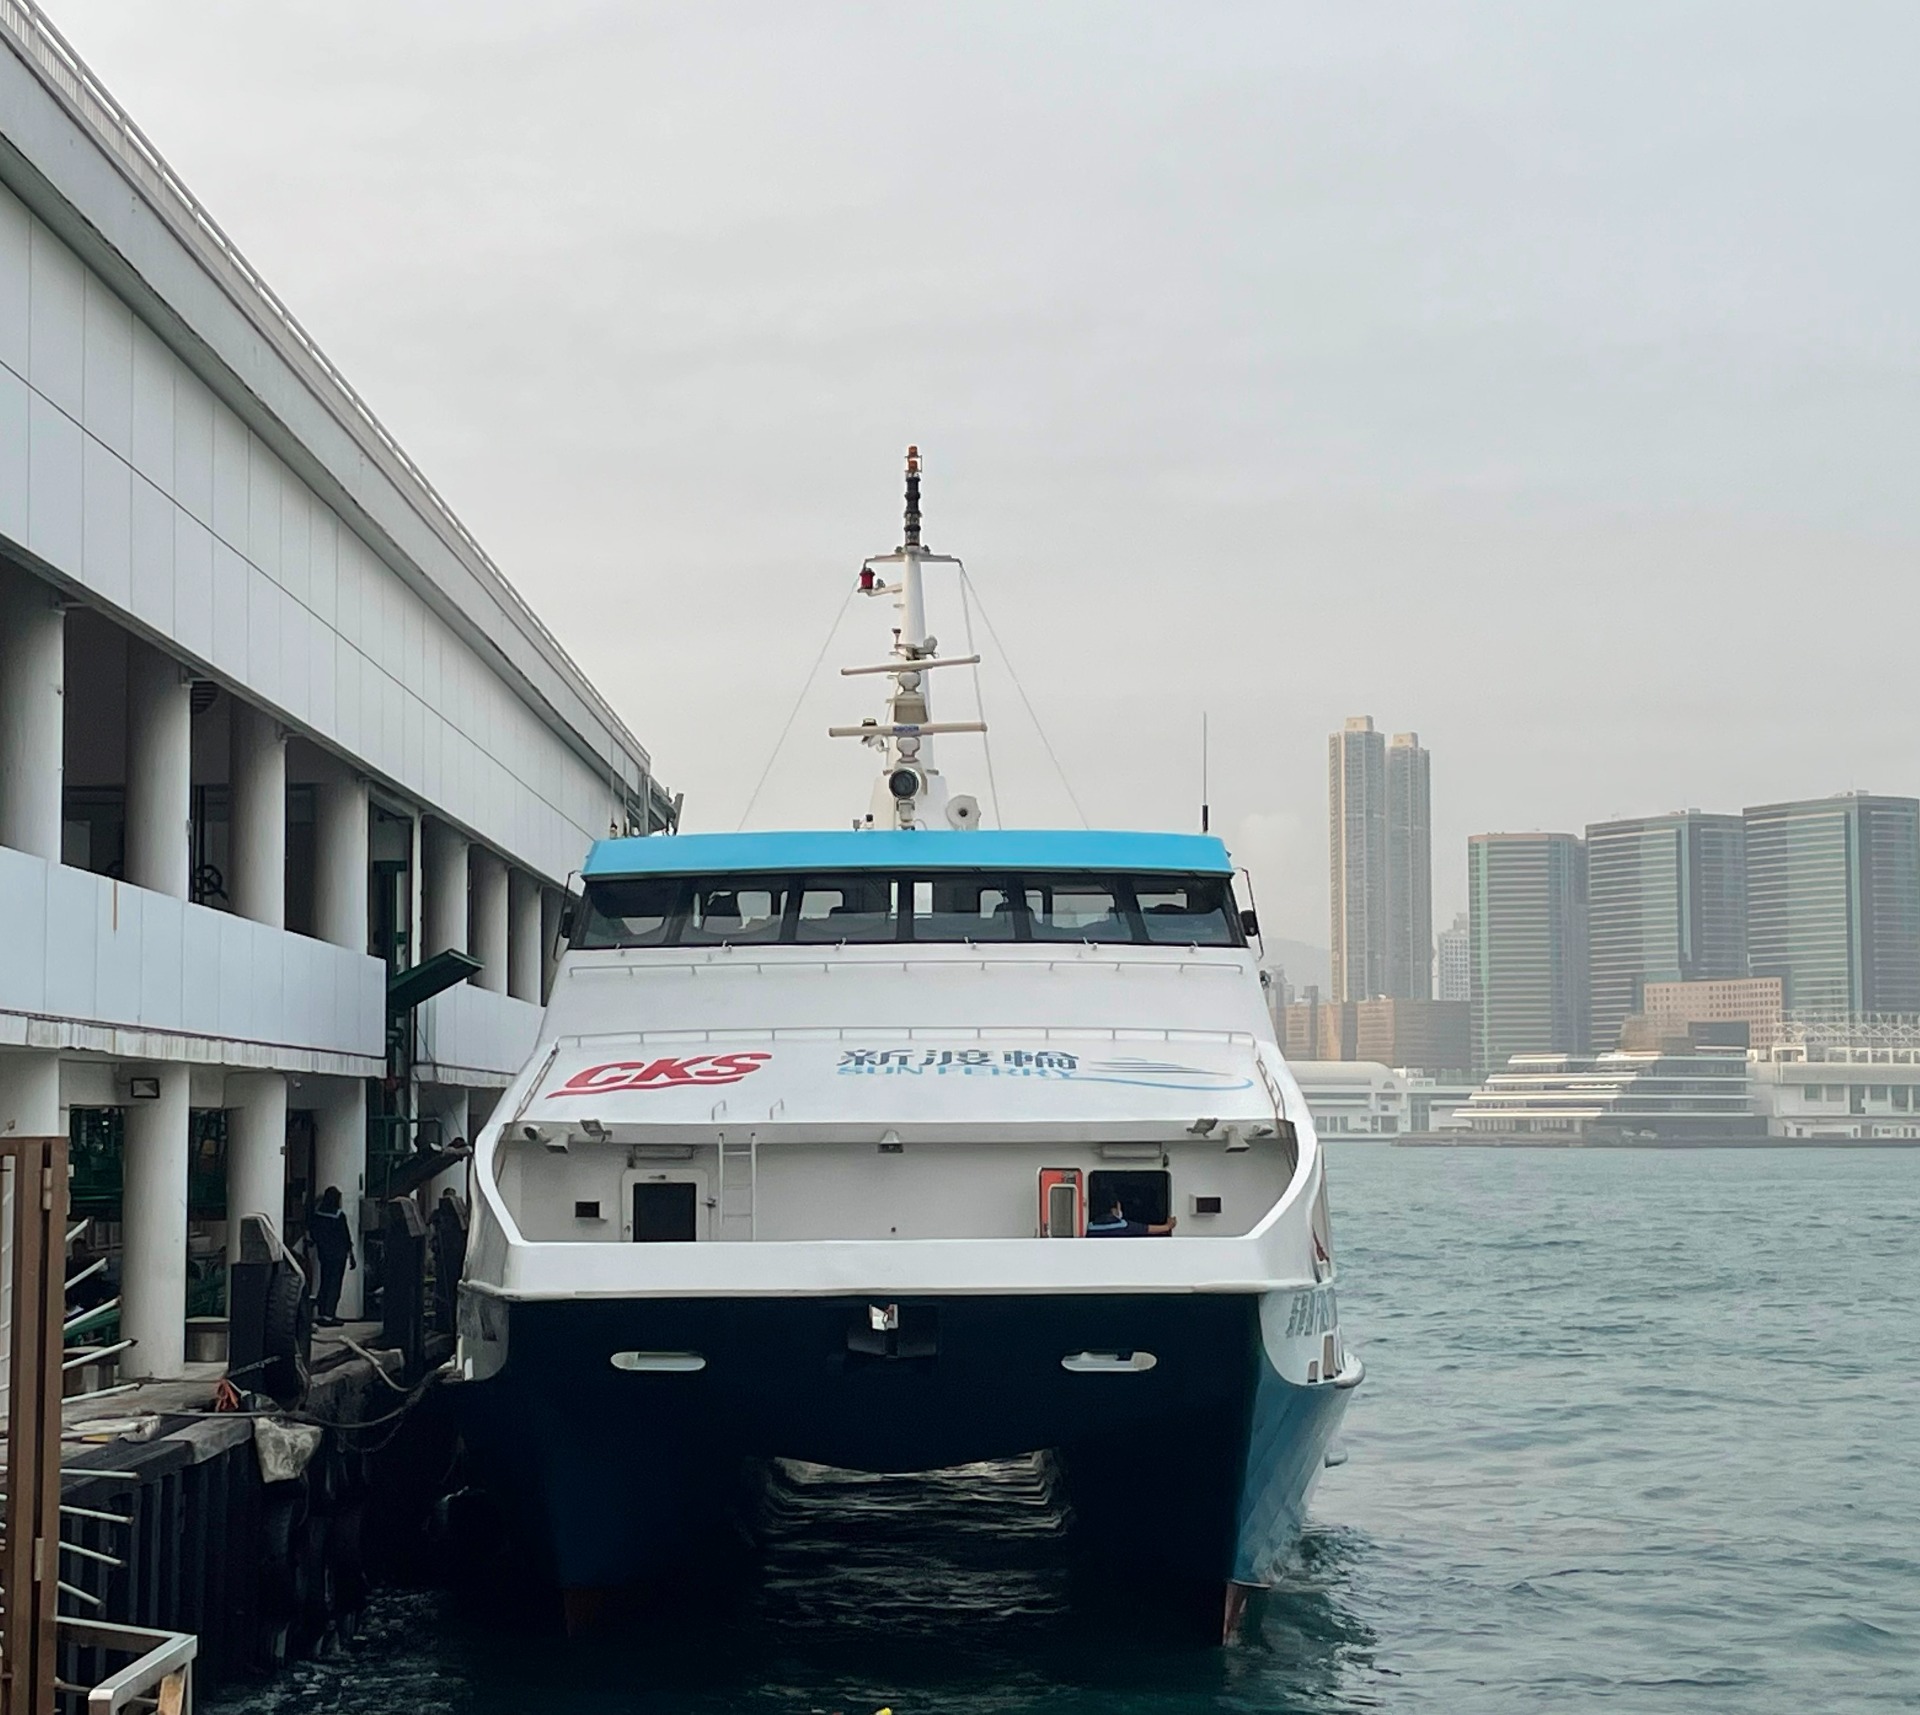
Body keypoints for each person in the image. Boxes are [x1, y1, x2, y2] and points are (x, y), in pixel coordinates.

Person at [309, 1186, 356, 1326]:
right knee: (335, 1284)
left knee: (325, 1282)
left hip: (324, 1254)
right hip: (338, 1255)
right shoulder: (339, 1215)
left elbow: (314, 1233)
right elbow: (345, 1236)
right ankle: (330, 1314)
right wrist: (351, 1255)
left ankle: (322, 1312)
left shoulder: (318, 1215)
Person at [1085, 1193, 1176, 1237]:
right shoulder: (1123, 1226)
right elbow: (1147, 1229)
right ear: (1113, 1210)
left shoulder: (1090, 1227)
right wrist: (1168, 1226)